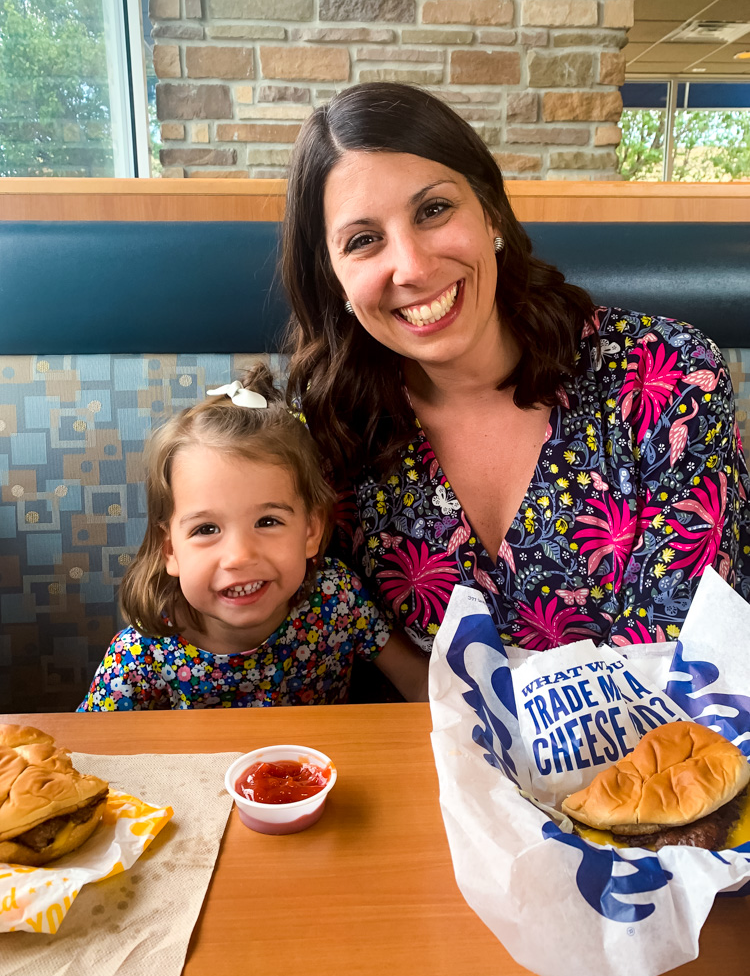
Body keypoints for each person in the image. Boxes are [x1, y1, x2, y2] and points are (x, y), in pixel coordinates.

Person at [281, 81, 750, 661]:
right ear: (333, 278)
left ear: (492, 213)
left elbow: (685, 654)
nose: (413, 266)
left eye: (433, 210)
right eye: (364, 240)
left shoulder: (667, 374)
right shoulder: (329, 432)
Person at [78, 365, 428, 710]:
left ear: (311, 530)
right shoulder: (144, 653)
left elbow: (421, 685)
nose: (240, 556)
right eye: (206, 529)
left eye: (267, 521)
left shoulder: (338, 601)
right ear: (170, 549)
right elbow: (88, 747)